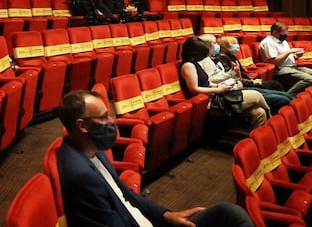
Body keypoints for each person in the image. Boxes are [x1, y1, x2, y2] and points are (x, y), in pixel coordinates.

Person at [57, 90, 255, 227]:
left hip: (147, 220)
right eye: (103, 117)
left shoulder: (93, 148)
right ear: (83, 126)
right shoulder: (80, 175)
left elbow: (126, 194)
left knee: (228, 213)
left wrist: (165, 215)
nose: (112, 122)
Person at [181, 37, 268, 128]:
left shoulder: (195, 62)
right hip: (210, 101)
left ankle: (257, 139)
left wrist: (218, 85)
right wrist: (219, 89)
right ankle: (270, 113)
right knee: (256, 96)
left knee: (259, 112)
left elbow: (206, 82)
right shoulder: (188, 65)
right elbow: (194, 89)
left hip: (215, 94)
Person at [218, 36, 293, 113]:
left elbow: (242, 72)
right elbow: (232, 78)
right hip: (241, 87)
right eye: (233, 44)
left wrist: (252, 79)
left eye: (236, 43)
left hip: (245, 83)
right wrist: (252, 82)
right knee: (283, 98)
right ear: (225, 46)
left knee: (280, 90)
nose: (237, 46)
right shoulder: (223, 59)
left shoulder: (232, 56)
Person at [259, 22, 312, 95]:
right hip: (280, 68)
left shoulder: (283, 41)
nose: (286, 35)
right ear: (275, 32)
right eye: (283, 33)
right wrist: (289, 51)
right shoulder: (268, 42)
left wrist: (296, 56)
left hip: (292, 66)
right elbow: (273, 61)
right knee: (310, 79)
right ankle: (288, 95)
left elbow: (286, 57)